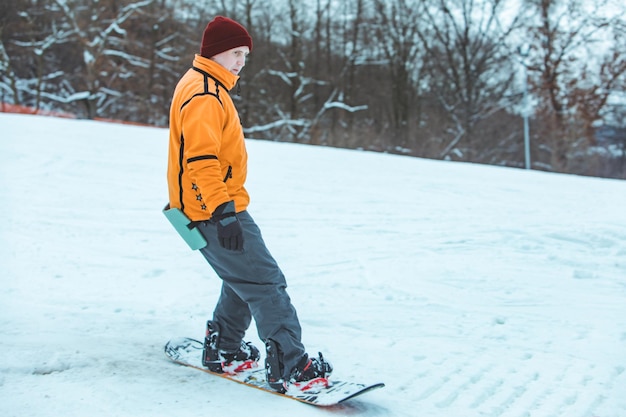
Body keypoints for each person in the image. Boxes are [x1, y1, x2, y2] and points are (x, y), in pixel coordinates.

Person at [166, 16, 332, 392]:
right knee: (267, 282)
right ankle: (291, 365)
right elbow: (201, 160)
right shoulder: (206, 94)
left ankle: (225, 348)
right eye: (235, 52)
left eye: (245, 55)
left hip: (205, 208)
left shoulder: (202, 84)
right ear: (215, 51)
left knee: (244, 278)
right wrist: (224, 213)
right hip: (214, 208)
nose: (241, 61)